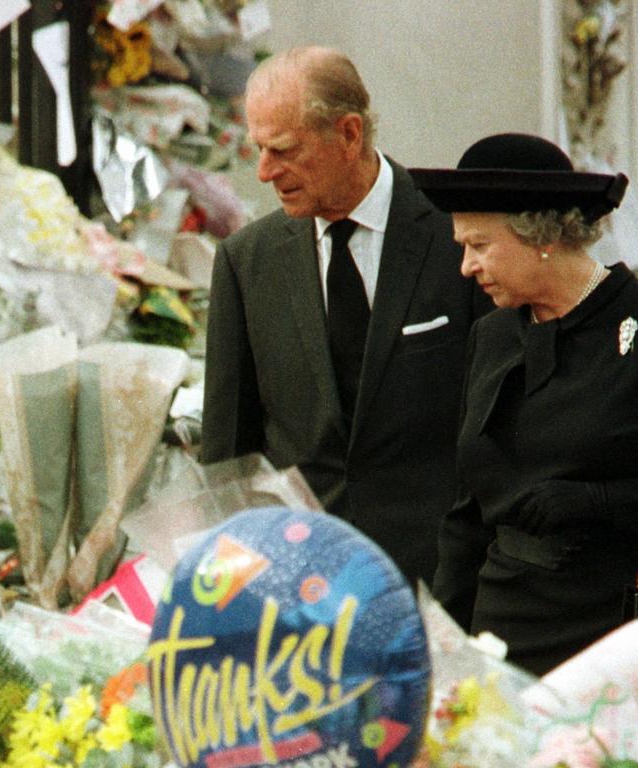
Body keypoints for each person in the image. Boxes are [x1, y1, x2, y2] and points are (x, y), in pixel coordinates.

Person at [410, 133, 638, 762]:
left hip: (625, 634)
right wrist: (444, 648)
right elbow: (468, 514)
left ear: (542, 236)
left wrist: (599, 501)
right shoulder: (492, 338)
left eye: (479, 246)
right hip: (507, 635)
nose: (465, 266)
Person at [201, 46, 491, 586]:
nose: (265, 172)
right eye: (260, 150)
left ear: (349, 134)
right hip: (301, 587)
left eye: (284, 150)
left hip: (443, 582)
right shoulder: (246, 262)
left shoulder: (458, 239)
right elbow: (228, 460)